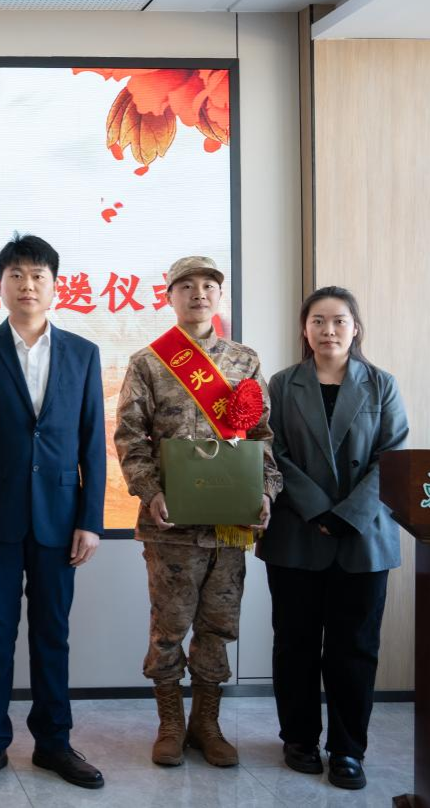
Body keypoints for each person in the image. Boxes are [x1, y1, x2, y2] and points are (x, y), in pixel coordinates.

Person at [114, 255, 282, 768]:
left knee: (218, 626)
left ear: (219, 295)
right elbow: (130, 437)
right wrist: (150, 491)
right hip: (170, 525)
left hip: (229, 525)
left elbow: (262, 437)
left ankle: (207, 723)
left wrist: (265, 492)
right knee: (169, 627)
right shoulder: (149, 362)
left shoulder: (244, 361)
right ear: (170, 296)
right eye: (187, 286)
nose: (199, 293)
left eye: (209, 285)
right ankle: (170, 723)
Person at [0, 234, 106, 791]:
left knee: (52, 634)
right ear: (0, 284)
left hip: (60, 520)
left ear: (55, 285)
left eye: (38, 275)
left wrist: (90, 520)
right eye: (16, 274)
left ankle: (53, 742)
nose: (27, 284)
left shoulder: (83, 353)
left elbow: (92, 442)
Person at [259, 286, 408, 790]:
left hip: (363, 535)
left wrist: (348, 515)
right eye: (318, 321)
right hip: (298, 533)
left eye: (339, 320)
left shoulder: (381, 384)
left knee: (355, 648)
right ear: (305, 329)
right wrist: (318, 509)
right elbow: (272, 451)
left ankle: (347, 749)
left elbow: (393, 457)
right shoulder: (282, 384)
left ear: (355, 328)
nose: (329, 330)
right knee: (294, 643)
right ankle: (299, 738)